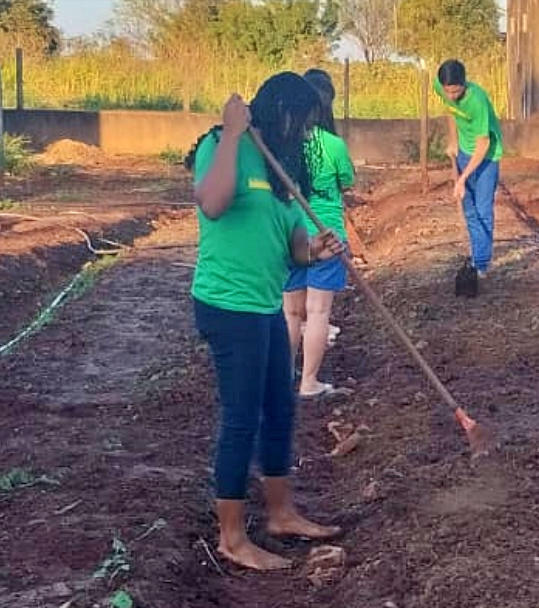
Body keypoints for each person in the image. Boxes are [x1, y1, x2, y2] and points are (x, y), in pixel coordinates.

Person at [185, 72, 343, 571]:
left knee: (279, 408)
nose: (303, 132)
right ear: (277, 111)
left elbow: (293, 242)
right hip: (228, 306)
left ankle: (280, 514)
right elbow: (212, 204)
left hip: (264, 304)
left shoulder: (283, 170)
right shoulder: (223, 145)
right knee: (242, 417)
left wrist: (314, 249)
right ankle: (232, 538)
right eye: (299, 121)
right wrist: (231, 133)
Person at [283, 68, 357, 398]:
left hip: (291, 236)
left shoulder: (283, 144)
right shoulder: (334, 145)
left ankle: (283, 376)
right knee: (318, 312)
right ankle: (309, 382)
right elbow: (348, 182)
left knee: (290, 312)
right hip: (328, 238)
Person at [434, 59, 504, 280]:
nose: (452, 95)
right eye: (448, 91)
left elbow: (483, 144)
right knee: (469, 210)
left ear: (464, 83)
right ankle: (476, 256)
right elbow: (451, 111)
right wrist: (453, 141)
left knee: (482, 209)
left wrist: (462, 178)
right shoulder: (441, 88)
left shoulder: (478, 101)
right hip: (464, 152)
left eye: (456, 91)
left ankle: (481, 264)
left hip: (487, 157)